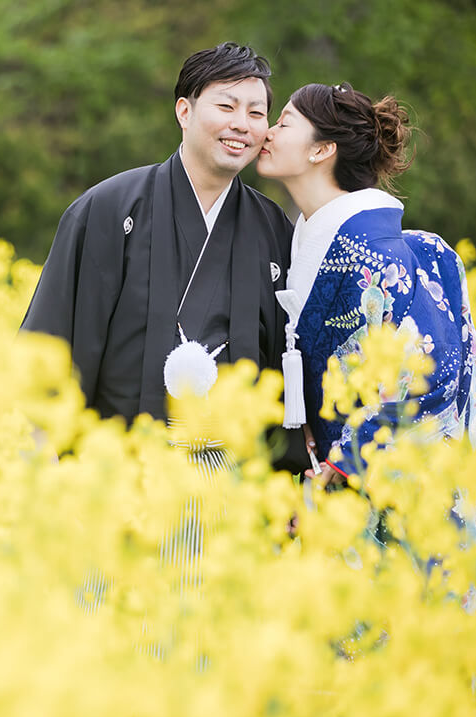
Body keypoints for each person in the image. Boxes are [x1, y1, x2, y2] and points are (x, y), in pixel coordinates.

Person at [21, 42, 300, 468]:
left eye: (256, 113)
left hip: (237, 484)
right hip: (122, 473)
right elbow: (48, 346)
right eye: (226, 106)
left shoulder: (274, 228)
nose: (241, 124)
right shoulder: (108, 210)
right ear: (184, 112)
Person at [255, 82, 476, 484]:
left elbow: (434, 369)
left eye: (284, 123)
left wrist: (347, 460)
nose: (268, 132)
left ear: (321, 149)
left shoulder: (373, 252)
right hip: (340, 484)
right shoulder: (307, 242)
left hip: (395, 491)